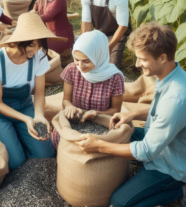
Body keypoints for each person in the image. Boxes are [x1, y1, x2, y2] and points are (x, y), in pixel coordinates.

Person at [75, 23, 186, 207]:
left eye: (142, 59)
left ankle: (180, 190)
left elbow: (146, 151)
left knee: (119, 202)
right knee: (123, 130)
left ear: (162, 58)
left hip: (171, 163)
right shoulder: (171, 75)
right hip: (165, 142)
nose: (136, 64)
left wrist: (99, 146)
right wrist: (132, 114)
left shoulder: (176, 97)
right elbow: (162, 112)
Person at [0, 12, 67, 170]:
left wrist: (39, 116)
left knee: (45, 155)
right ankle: (14, 137)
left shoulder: (39, 56)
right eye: (32, 45)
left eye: (39, 45)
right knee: (15, 163)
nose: (36, 50)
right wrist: (27, 120)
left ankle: (20, 137)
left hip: (25, 106)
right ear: (19, 41)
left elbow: (40, 93)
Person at [51, 30, 124, 148]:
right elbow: (66, 99)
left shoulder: (115, 77)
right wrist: (69, 106)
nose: (80, 66)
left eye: (86, 61)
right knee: (60, 140)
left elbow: (116, 110)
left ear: (99, 56)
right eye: (76, 59)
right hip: (74, 119)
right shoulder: (71, 70)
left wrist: (97, 113)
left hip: (101, 122)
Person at [81, 0, 130, 69]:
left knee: (110, 68)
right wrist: (85, 43)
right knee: (87, 61)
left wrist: (109, 47)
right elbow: (86, 22)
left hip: (116, 34)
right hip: (98, 33)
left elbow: (123, 26)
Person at [33, 0, 74, 67]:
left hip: (61, 37)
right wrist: (32, 12)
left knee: (39, 47)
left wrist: (30, 20)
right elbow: (37, 3)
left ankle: (49, 67)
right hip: (48, 31)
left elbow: (47, 16)